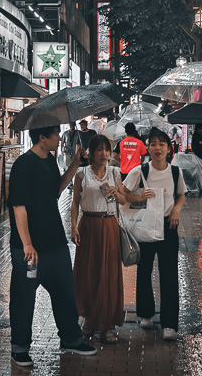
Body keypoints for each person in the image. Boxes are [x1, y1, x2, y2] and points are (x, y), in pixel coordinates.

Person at [8, 124, 96, 368]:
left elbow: (55, 191)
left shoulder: (48, 161)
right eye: (56, 134)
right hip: (29, 247)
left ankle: (70, 338)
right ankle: (20, 348)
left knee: (66, 292)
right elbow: (18, 206)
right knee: (24, 298)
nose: (59, 138)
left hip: (55, 242)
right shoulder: (24, 165)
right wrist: (27, 243)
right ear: (42, 137)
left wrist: (74, 165)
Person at [123, 127, 186, 340]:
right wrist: (140, 196)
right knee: (144, 271)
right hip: (145, 226)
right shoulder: (139, 171)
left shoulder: (175, 172)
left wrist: (177, 209)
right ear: (147, 148)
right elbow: (123, 194)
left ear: (169, 148)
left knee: (169, 274)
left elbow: (181, 196)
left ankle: (170, 324)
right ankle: (146, 314)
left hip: (169, 227)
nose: (157, 148)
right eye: (152, 144)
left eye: (161, 144)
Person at [71, 134, 126, 343]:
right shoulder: (81, 173)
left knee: (109, 274)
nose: (104, 154)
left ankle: (108, 325)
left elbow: (123, 199)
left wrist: (117, 194)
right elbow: (75, 202)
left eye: (106, 149)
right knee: (89, 273)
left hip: (109, 225)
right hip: (88, 226)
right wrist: (73, 227)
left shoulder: (115, 172)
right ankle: (90, 320)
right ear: (91, 152)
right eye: (99, 150)